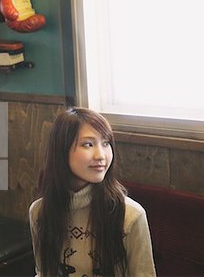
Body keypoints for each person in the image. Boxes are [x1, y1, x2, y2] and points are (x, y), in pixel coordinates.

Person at [29, 107, 156, 277]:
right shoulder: (39, 211)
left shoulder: (130, 215)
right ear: (61, 150)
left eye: (105, 143)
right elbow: (44, 272)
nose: (101, 155)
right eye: (88, 144)